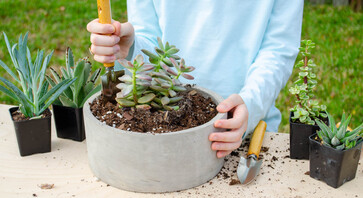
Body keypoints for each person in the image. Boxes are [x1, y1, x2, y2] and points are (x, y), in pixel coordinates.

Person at [87, 0, 304, 158]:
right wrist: (131, 46)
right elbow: (151, 38)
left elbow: (277, 48)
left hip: (244, 134)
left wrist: (252, 103)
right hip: (164, 134)